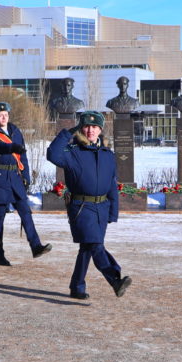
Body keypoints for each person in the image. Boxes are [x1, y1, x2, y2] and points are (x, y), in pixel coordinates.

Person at [47, 110, 132, 299]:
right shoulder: (72, 152)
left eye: (95, 126)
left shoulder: (107, 154)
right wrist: (69, 132)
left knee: (87, 248)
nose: (90, 130)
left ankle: (77, 287)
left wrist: (113, 212)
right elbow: (52, 154)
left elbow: (111, 183)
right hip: (81, 208)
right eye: (86, 126)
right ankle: (115, 279)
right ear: (81, 128)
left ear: (100, 129)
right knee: (95, 245)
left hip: (102, 208)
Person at [0, 102, 52, 266]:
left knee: (25, 212)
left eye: (6, 114)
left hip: (15, 176)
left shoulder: (15, 130)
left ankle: (35, 246)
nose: (4, 117)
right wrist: (11, 147)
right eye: (0, 115)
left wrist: (27, 176)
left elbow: (23, 157)